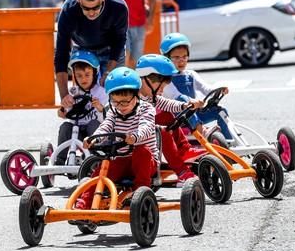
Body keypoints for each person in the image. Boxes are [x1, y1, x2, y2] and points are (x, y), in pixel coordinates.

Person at [77, 67, 157, 210]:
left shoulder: (146, 109)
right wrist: (94, 138)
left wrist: (135, 136)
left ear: (136, 95)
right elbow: (106, 126)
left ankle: (139, 194)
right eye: (115, 102)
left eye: (124, 102)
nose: (120, 106)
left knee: (142, 151)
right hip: (123, 158)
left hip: (146, 162)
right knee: (101, 170)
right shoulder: (114, 111)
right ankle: (84, 203)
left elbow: (147, 126)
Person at [55, 0, 128, 111]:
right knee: (84, 95)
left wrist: (109, 71)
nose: (91, 12)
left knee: (117, 92)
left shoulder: (118, 7)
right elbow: (61, 53)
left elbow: (119, 41)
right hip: (83, 48)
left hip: (111, 48)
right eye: (86, 8)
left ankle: (118, 126)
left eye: (96, 7)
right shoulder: (68, 10)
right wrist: (64, 95)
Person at [136, 54, 203, 186]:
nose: (161, 91)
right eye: (160, 87)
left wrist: (186, 105)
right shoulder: (132, 98)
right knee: (163, 131)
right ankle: (182, 173)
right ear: (145, 79)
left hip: (147, 137)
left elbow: (166, 103)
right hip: (137, 140)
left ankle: (184, 150)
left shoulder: (150, 96)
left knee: (166, 115)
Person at [160, 32, 232, 140]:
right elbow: (176, 96)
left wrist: (219, 90)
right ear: (166, 58)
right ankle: (202, 131)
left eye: (184, 56)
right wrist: (194, 102)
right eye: (176, 57)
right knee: (185, 101)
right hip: (176, 117)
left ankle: (230, 142)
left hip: (194, 114)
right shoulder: (165, 78)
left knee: (221, 111)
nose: (181, 61)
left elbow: (206, 89)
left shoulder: (191, 74)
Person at [55, 49, 108, 165]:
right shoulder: (73, 92)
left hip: (94, 132)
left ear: (94, 73)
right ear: (74, 76)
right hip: (76, 131)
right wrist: (62, 111)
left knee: (93, 124)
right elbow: (64, 112)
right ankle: (59, 159)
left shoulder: (101, 92)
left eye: (87, 75)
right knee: (65, 126)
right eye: (79, 76)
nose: (83, 79)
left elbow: (109, 115)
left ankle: (95, 157)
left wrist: (100, 108)